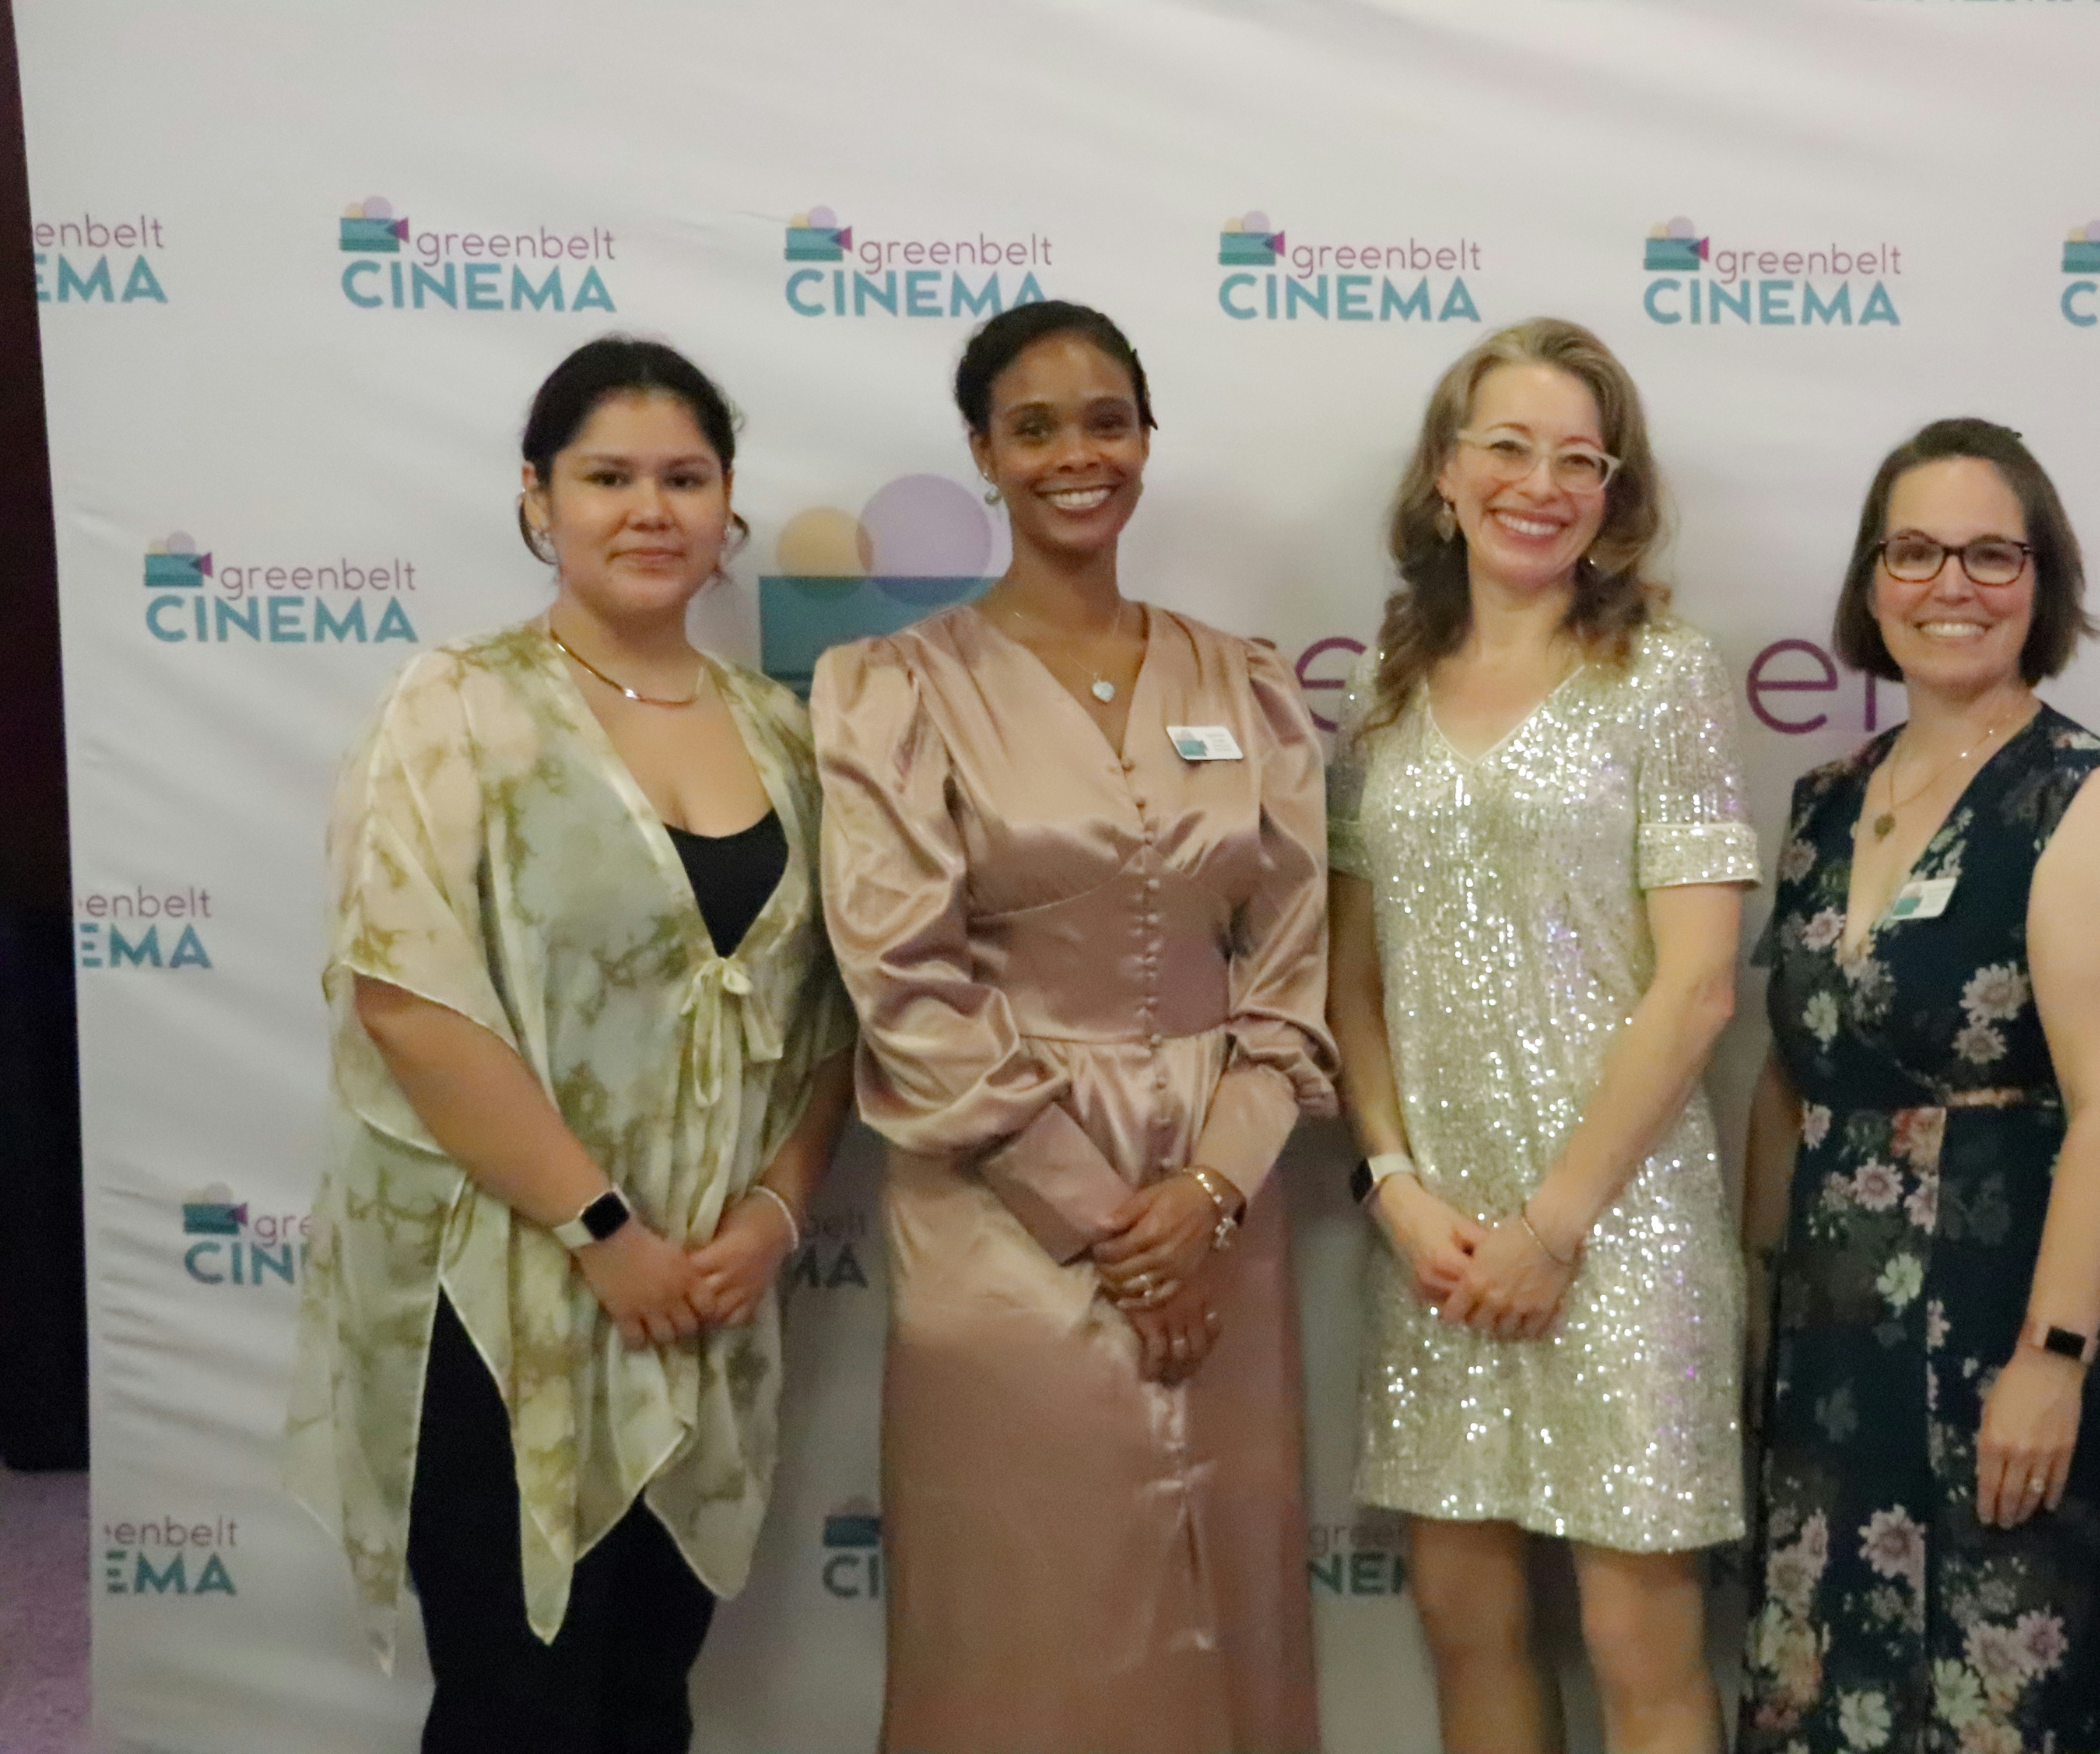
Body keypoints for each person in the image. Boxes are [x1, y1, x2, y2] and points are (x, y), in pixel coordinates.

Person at [285, 337, 858, 1754]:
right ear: (538, 499)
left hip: (707, 1301)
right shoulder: (456, 706)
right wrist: (602, 1229)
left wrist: (776, 1214)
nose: (650, 509)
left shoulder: (785, 735)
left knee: (649, 1692)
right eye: (609, 477)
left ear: (727, 509)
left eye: (685, 478)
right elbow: (408, 998)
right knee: (516, 1705)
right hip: (507, 1294)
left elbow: (828, 1021)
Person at [812, 300, 1336, 1754]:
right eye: (1034, 428)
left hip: (1223, 1207)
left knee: (1225, 1598)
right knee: (1028, 1609)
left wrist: (1209, 1193)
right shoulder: (894, 689)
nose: (1076, 455)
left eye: (1107, 421)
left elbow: (1291, 968)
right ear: (984, 455)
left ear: (1148, 440)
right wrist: (1110, 1224)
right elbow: (905, 988)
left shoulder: (1246, 683)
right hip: (1000, 1216)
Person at [1735, 418, 2100, 1753]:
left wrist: (2052, 1360)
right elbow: (1792, 1070)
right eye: (1916, 552)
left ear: (2041, 580)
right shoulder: (1827, 801)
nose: (1952, 584)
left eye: (1992, 554)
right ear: (1872, 581)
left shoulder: (2084, 798)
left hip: (2015, 1311)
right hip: (1842, 1337)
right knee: (1834, 1690)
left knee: (2007, 1701)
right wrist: (1759, 1301)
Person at [1326, 317, 1762, 1754]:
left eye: (1581, 459)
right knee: (1466, 1626)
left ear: (1615, 495)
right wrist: (1396, 1190)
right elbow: (1349, 982)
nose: (1543, 483)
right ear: (1445, 475)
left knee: (1641, 1644)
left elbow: (1700, 987)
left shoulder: (1667, 675)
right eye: (1508, 447)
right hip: (1440, 1242)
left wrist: (1556, 1226)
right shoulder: (1382, 689)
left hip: (1617, 1228)